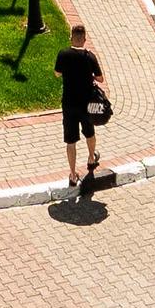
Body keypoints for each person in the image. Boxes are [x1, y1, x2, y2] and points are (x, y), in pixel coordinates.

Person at [55, 24, 107, 195]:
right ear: (84, 39)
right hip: (87, 104)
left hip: (68, 103)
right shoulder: (89, 56)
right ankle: (91, 158)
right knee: (89, 133)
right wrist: (89, 75)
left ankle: (72, 174)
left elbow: (57, 73)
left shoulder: (63, 54)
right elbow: (100, 78)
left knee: (71, 140)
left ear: (71, 37)